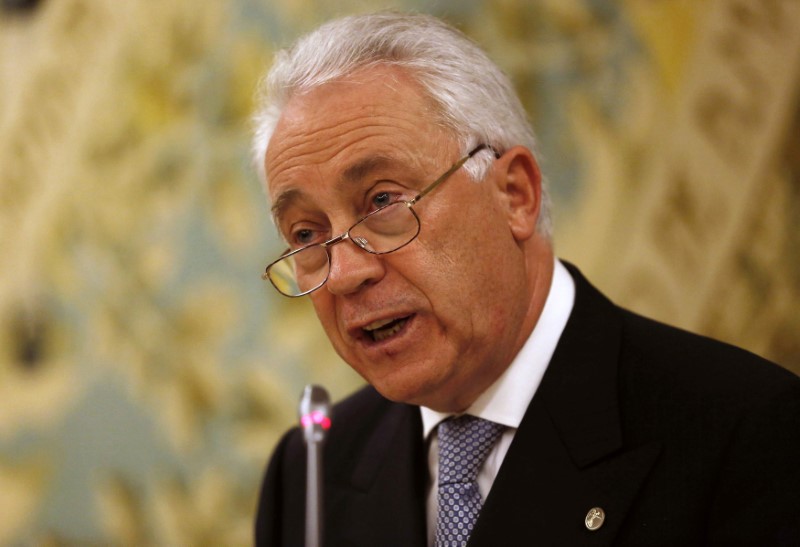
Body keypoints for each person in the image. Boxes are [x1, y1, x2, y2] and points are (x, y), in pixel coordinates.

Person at [251, 11, 800, 546]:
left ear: (514, 194)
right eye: (305, 235)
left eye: (383, 201)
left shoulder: (747, 434)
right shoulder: (308, 475)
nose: (345, 273)